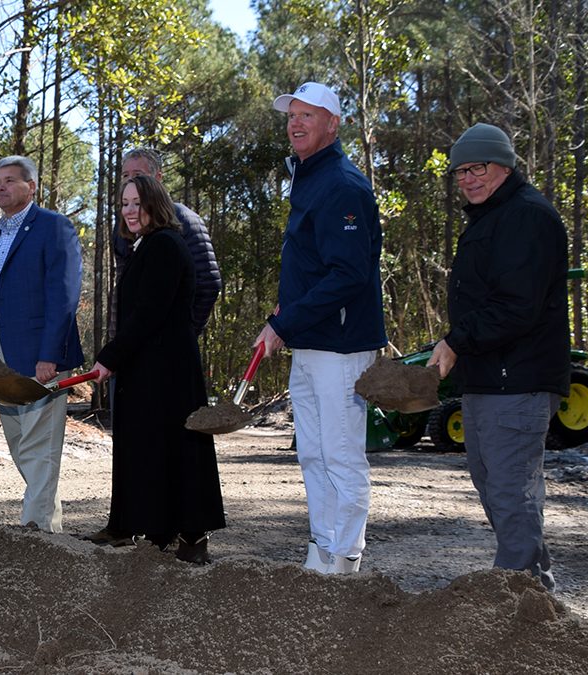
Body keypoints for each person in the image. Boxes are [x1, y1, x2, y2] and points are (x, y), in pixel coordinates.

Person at [426, 123, 569, 592]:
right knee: (497, 489)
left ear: (504, 165)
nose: (467, 178)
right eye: (461, 171)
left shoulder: (527, 217)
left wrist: (455, 341)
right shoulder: (490, 218)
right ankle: (535, 589)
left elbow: (516, 306)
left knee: (511, 492)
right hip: (488, 378)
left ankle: (513, 596)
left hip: (519, 379)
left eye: (477, 168)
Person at [252, 82, 386, 574]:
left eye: (310, 115)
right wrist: (287, 319)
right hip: (310, 342)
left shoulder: (343, 185)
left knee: (341, 454)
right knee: (312, 453)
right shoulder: (309, 178)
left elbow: (348, 275)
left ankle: (346, 559)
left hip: (341, 345)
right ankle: (322, 549)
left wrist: (282, 323)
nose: (297, 122)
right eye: (293, 115)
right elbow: (314, 267)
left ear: (333, 124)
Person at [90, 175, 225, 563]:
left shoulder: (165, 245)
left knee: (177, 448)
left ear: (155, 204)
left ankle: (192, 538)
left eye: (137, 203)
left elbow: (148, 313)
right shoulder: (144, 245)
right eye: (125, 204)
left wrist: (110, 356)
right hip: (148, 368)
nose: (131, 211)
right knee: (150, 450)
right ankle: (157, 532)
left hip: (168, 372)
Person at [0, 155, 84, 533]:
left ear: (32, 186)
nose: (1, 187)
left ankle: (36, 527)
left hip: (38, 353)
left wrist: (49, 356)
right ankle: (48, 524)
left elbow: (64, 295)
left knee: (39, 441)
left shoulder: (54, 227)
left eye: (10, 180)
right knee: (19, 443)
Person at [118, 147, 222, 335]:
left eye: (138, 174)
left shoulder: (185, 220)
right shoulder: (125, 227)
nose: (131, 180)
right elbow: (124, 292)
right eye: (125, 175)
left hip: (171, 349)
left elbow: (208, 284)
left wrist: (184, 334)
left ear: (158, 178)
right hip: (133, 347)